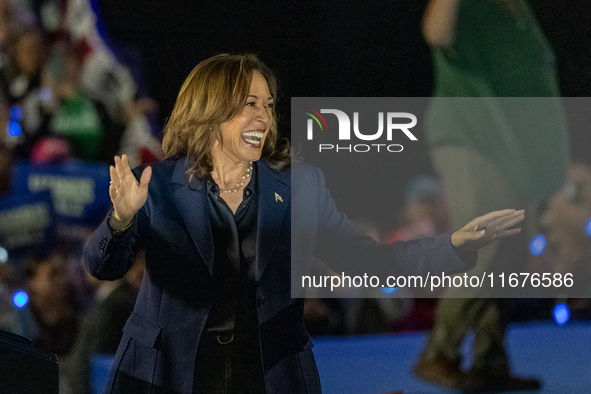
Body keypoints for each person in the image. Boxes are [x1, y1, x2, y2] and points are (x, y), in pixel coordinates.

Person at [84, 53, 525, 394]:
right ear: (211, 108)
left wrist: (454, 244)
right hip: (167, 374)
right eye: (249, 104)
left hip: (268, 373)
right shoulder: (156, 184)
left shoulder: (302, 186)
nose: (265, 117)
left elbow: (368, 261)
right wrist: (121, 219)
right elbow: (102, 267)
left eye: (269, 106)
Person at [414, 0, 569, 392]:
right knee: (488, 248)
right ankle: (439, 353)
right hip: (473, 140)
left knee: (512, 252)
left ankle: (489, 362)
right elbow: (436, 34)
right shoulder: (470, 8)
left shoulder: (520, 12)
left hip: (514, 150)